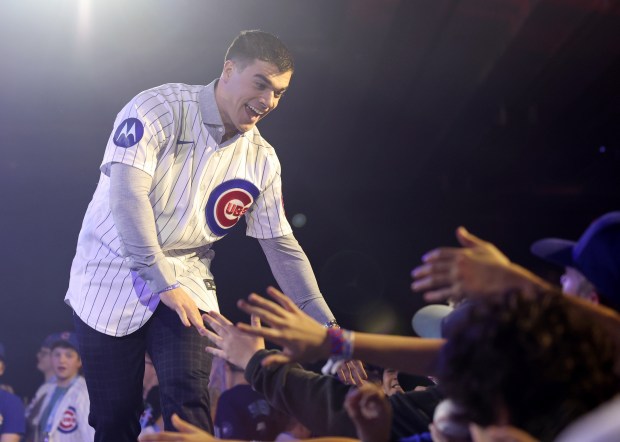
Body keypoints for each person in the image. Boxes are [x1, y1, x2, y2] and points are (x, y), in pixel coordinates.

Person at [65, 29, 360, 441]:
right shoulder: (157, 108)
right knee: (115, 418)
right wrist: (160, 279)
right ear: (228, 70)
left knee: (188, 396)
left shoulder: (262, 159)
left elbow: (282, 247)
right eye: (261, 84)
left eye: (279, 92)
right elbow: (127, 198)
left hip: (187, 275)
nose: (268, 101)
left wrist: (330, 330)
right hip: (109, 270)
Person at [29, 332, 94, 442]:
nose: (61, 360)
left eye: (68, 355)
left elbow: (91, 436)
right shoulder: (45, 389)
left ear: (80, 361)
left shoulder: (85, 393)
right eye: (57, 354)